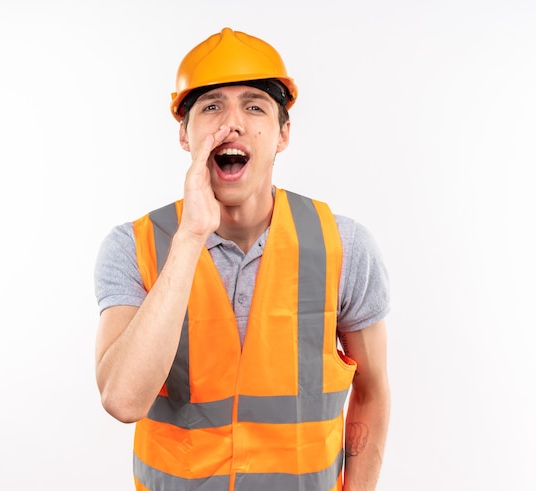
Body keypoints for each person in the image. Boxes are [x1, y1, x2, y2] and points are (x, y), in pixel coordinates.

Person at [94, 27, 390, 491]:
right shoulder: (135, 247)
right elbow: (122, 400)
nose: (231, 123)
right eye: (211, 107)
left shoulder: (344, 246)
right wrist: (191, 235)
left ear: (283, 133)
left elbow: (372, 389)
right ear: (183, 135)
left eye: (255, 106)